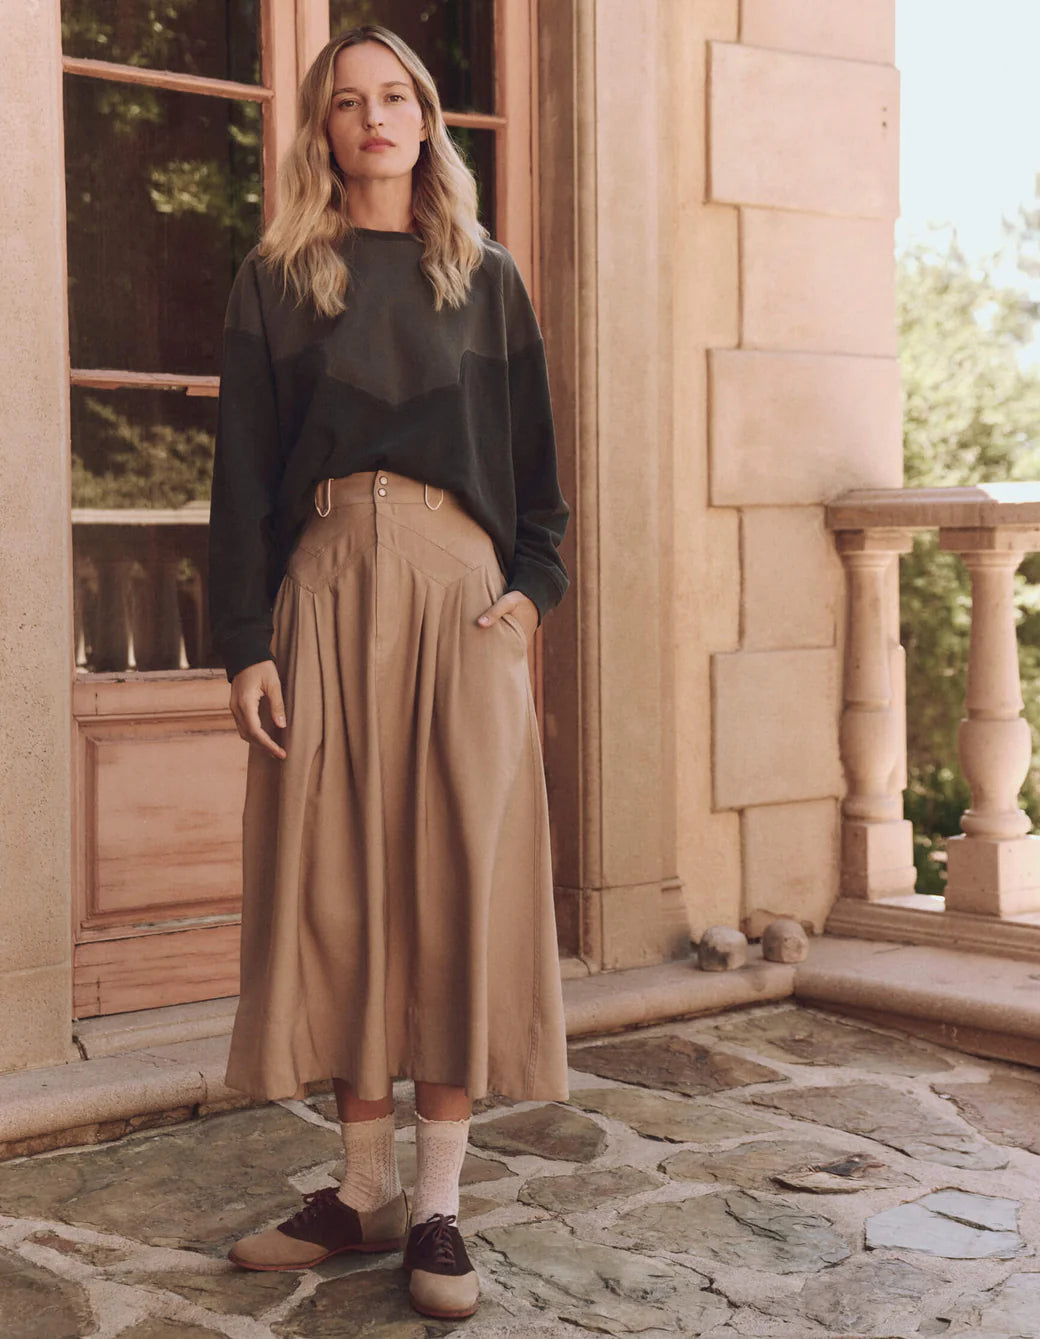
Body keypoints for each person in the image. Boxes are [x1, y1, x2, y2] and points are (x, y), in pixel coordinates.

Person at [207, 23, 571, 1322]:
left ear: (426, 117)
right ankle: (357, 1192)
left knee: (453, 894)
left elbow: (542, 487)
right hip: (322, 594)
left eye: (395, 96)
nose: (374, 118)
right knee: (347, 894)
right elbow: (240, 478)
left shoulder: (488, 277)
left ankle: (437, 1213)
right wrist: (245, 641)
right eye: (348, 102)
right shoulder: (278, 277)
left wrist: (527, 597)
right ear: (324, 129)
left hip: (461, 609)